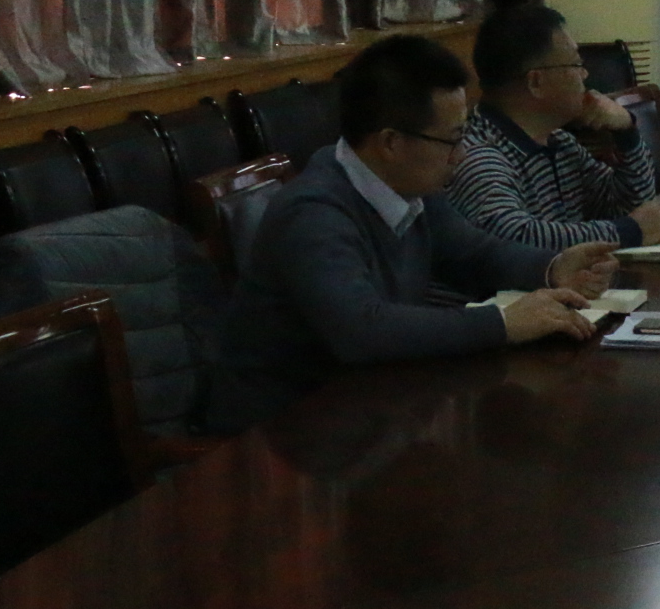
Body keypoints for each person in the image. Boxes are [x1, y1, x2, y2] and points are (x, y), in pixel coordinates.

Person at [205, 34, 616, 433]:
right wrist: (502, 324)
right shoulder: (313, 213)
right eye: (452, 139)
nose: (462, 155)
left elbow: (473, 254)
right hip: (278, 437)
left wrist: (553, 267)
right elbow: (362, 330)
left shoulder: (407, 185)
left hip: (367, 413)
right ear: (391, 143)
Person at [450, 3, 660, 251]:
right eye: (576, 65)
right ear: (536, 82)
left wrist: (626, 133)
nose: (585, 75)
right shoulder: (477, 154)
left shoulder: (559, 142)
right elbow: (515, 238)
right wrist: (627, 232)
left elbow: (630, 208)